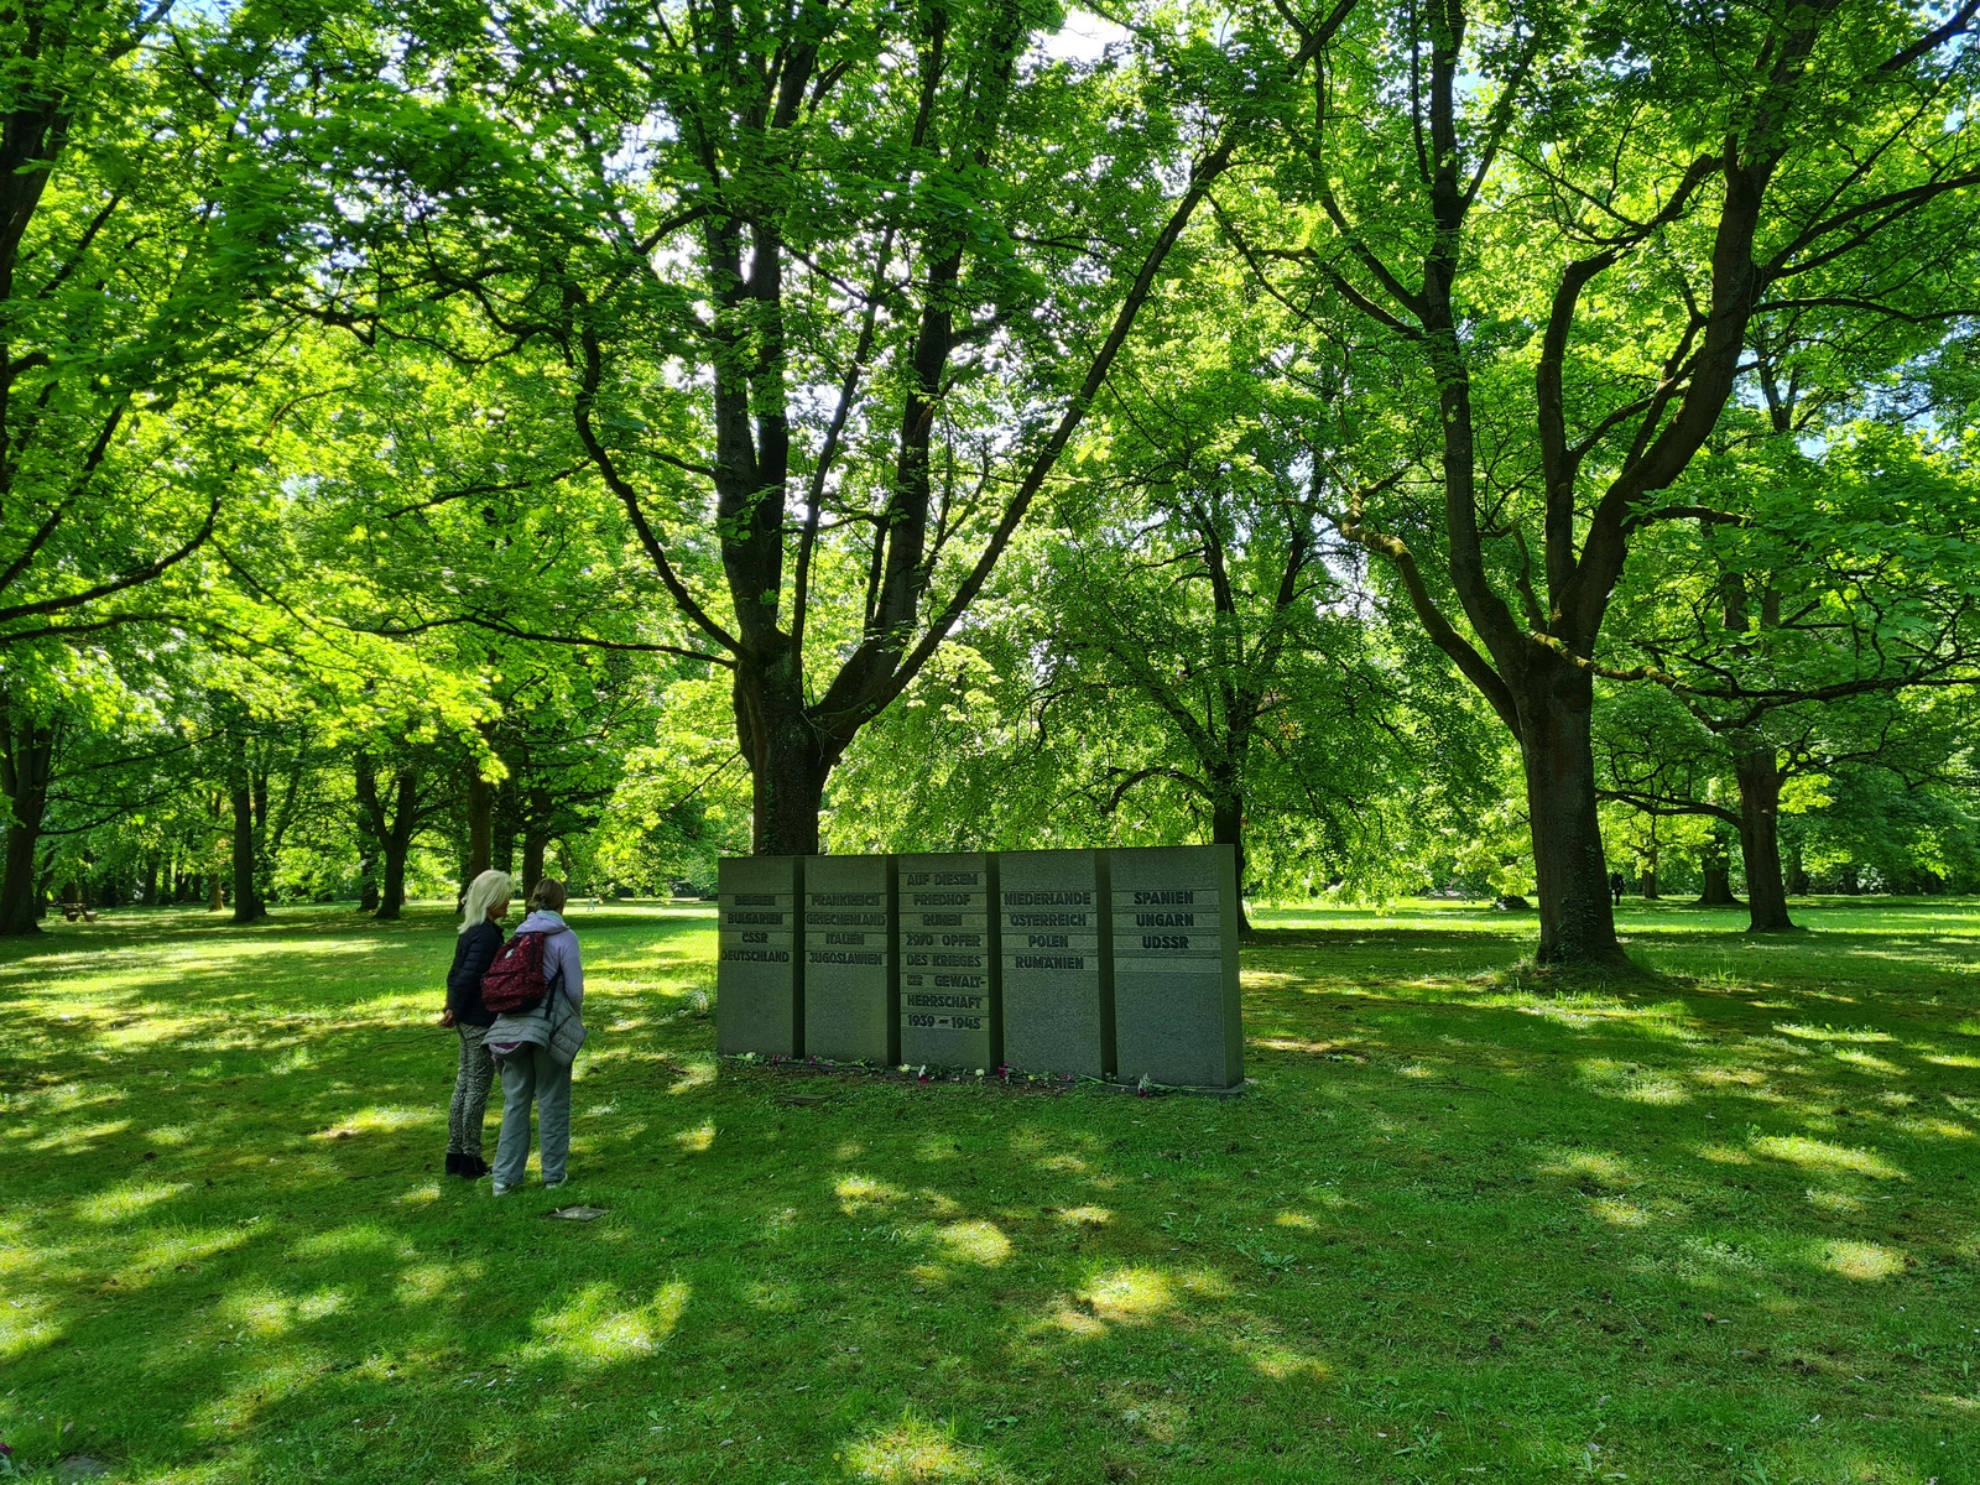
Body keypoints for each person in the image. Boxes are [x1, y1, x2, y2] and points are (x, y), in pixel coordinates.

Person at [486, 878, 587, 1194]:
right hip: (548, 1024)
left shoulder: (518, 934)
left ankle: (504, 1178)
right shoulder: (564, 937)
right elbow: (573, 990)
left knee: (516, 1102)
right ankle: (553, 1176)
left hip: (510, 1028)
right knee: (552, 1099)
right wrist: (573, 1020)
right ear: (562, 903)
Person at [443, 869, 512, 1179]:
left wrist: (452, 1006)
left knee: (464, 1084)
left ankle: (454, 1153)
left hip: (467, 1017)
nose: (509, 903)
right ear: (491, 900)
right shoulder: (485, 936)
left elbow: (455, 974)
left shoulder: (472, 931)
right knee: (476, 1089)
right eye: (504, 897)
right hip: (479, 1020)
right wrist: (454, 1009)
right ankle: (470, 1157)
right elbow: (468, 977)